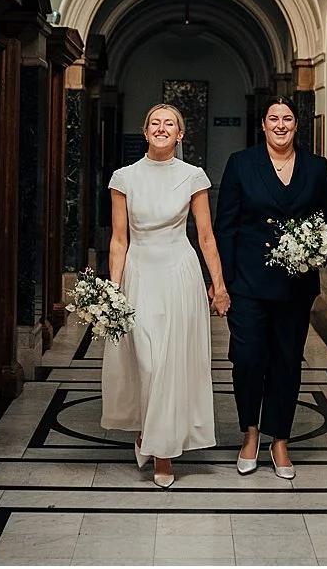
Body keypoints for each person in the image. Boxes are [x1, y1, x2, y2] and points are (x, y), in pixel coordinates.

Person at [100, 102, 226, 488]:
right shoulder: (124, 177)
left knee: (169, 363)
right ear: (145, 130)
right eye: (154, 122)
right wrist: (113, 291)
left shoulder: (193, 177)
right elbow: (119, 239)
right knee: (146, 362)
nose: (161, 128)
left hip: (179, 274)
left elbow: (205, 236)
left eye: (169, 123)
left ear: (180, 134)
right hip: (140, 272)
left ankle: (163, 451)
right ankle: (151, 430)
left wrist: (218, 286)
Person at [216, 98, 327, 480]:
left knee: (287, 361)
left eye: (287, 118)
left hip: (295, 285)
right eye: (274, 119)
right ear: (264, 126)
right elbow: (226, 226)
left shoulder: (316, 168)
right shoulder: (241, 163)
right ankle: (250, 433)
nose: (280, 125)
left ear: (296, 125)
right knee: (250, 358)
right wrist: (222, 283)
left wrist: (312, 248)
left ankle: (279, 439)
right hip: (249, 283)